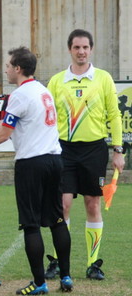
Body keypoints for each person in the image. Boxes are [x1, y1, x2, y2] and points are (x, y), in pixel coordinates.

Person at [0, 47, 73, 295]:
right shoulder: (42, 90)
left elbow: (5, 134)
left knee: (31, 225)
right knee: (57, 220)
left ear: (18, 69)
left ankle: (39, 283)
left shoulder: (19, 94)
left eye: (8, 65)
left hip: (32, 164)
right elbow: (12, 121)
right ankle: (67, 277)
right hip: (54, 160)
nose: (6, 68)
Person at [44, 29, 125, 281]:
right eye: (77, 47)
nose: (81, 52)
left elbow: (114, 115)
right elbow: (47, 117)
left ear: (91, 49)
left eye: (85, 47)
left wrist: (118, 149)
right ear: (70, 49)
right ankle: (59, 262)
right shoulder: (57, 81)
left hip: (94, 149)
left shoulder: (103, 78)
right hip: (63, 150)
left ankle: (93, 264)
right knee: (63, 205)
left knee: (93, 204)